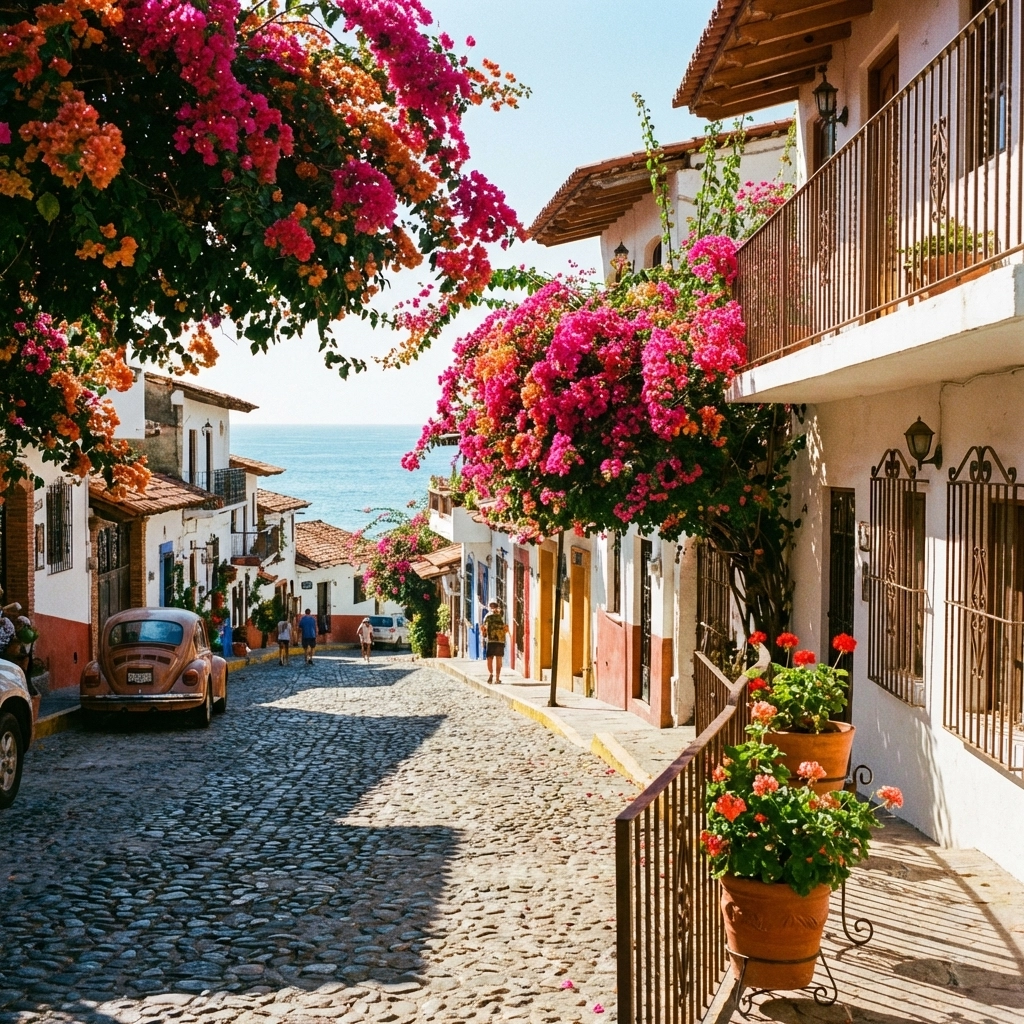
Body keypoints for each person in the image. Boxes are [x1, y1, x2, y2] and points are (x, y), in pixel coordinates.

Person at [482, 600, 509, 684]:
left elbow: (484, 630)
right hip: (500, 641)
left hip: (491, 641)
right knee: (499, 659)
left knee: (489, 659)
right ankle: (497, 678)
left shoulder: (487, 617)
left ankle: (491, 674)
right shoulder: (502, 616)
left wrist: (484, 636)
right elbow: (506, 628)